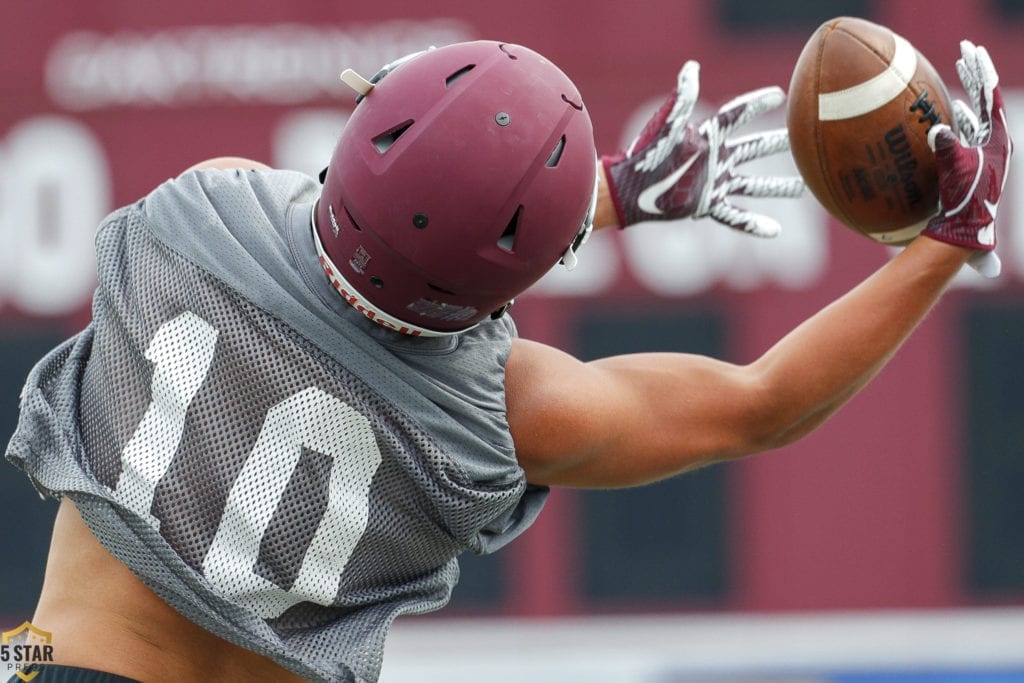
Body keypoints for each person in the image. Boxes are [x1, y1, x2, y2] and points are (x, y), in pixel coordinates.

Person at [3, 38, 1010, 683]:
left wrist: (606, 194)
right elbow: (764, 403)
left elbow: (365, 222)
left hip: (61, 668)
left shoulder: (193, 212)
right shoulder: (513, 413)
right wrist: (946, 242)